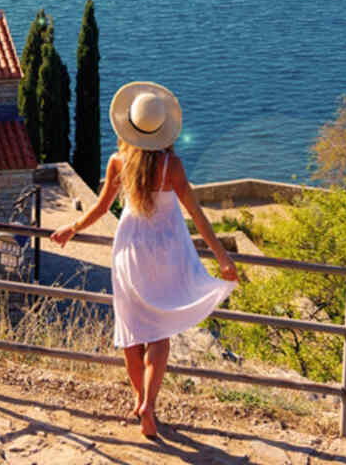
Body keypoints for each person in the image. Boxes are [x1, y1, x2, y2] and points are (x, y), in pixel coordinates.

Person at [51, 81, 239, 438]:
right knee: (160, 335)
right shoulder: (174, 167)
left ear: (129, 125)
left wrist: (71, 229)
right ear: (163, 128)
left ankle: (140, 399)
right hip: (167, 254)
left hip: (129, 253)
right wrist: (222, 259)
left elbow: (101, 207)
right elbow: (198, 216)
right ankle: (149, 406)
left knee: (132, 334)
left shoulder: (118, 162)